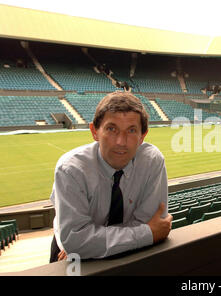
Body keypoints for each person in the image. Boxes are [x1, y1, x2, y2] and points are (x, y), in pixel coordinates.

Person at [49, 91, 172, 262]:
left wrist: (89, 244)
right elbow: (75, 241)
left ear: (142, 136)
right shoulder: (70, 169)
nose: (121, 141)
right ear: (94, 131)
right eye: (111, 129)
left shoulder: (152, 161)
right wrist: (147, 233)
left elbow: (82, 243)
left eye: (131, 130)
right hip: (69, 256)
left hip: (122, 255)